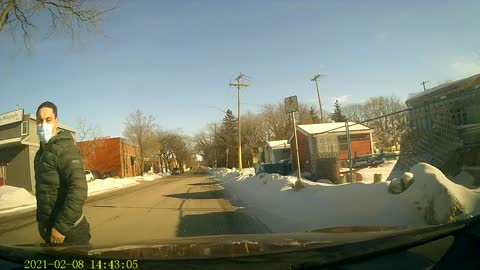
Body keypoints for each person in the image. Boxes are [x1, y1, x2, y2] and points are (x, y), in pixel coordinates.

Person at [34, 101, 91, 245]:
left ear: (56, 122)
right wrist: (42, 222)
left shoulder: (66, 149)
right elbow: (45, 191)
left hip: (70, 232)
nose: (43, 125)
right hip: (49, 231)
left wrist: (61, 227)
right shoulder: (40, 154)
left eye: (48, 120)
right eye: (39, 121)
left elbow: (79, 189)